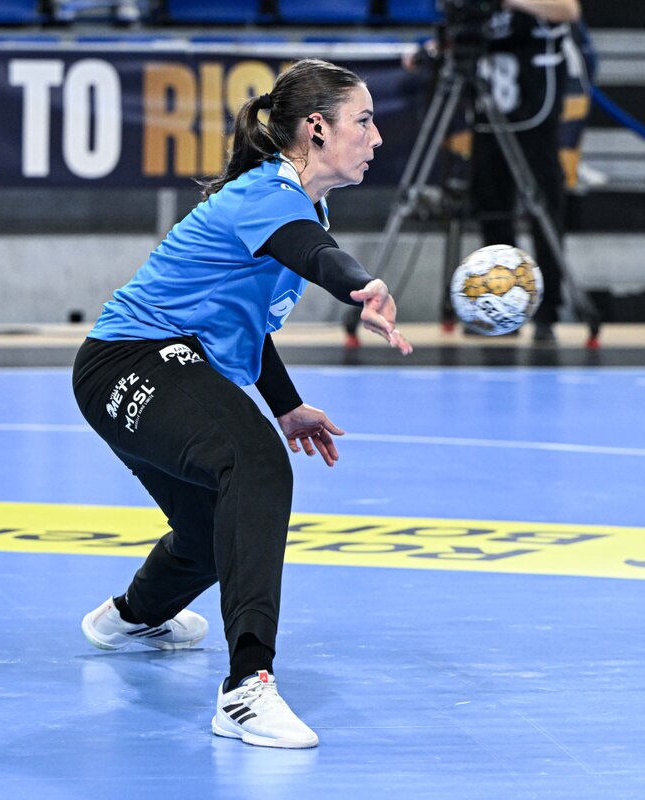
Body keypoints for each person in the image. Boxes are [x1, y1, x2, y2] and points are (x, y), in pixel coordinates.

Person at [71, 58, 412, 749]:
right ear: (316, 128)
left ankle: (130, 618)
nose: (377, 138)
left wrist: (285, 405)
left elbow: (247, 320)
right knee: (255, 465)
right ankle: (246, 689)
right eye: (364, 121)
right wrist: (361, 285)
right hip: (131, 360)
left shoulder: (300, 201)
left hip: (156, 366)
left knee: (209, 536)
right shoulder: (270, 194)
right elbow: (317, 256)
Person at [469, 0, 582, 342]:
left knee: (543, 205)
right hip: (489, 104)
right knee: (491, 203)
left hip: (535, 105)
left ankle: (548, 311)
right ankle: (501, 306)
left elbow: (569, 10)